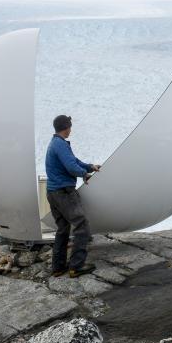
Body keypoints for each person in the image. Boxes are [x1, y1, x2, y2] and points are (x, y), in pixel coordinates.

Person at [45, 114, 101, 277]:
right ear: (67, 127)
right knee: (81, 226)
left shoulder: (55, 143)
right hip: (64, 193)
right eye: (70, 126)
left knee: (63, 229)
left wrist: (90, 167)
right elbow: (72, 167)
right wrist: (84, 174)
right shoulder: (60, 145)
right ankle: (76, 267)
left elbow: (74, 161)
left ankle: (58, 267)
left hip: (53, 193)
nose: (71, 129)